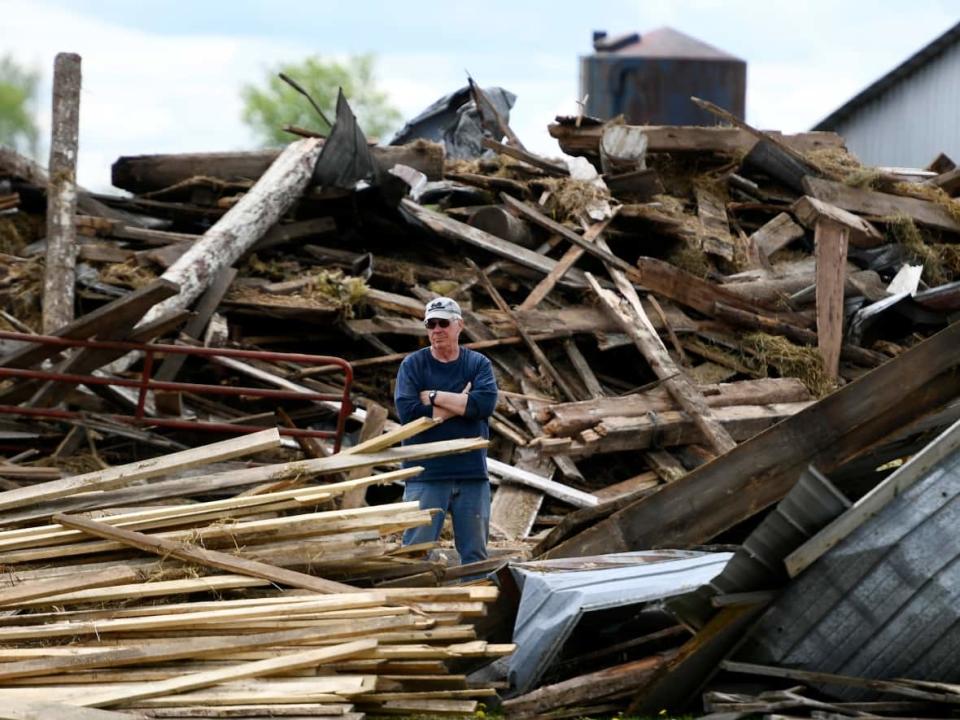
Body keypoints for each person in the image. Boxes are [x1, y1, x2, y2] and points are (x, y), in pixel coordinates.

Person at [394, 296, 498, 565]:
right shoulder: (413, 365)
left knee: (475, 556)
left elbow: (484, 404)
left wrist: (434, 395)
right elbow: (409, 413)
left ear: (459, 325)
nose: (437, 329)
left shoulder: (477, 364)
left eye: (443, 323)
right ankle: (415, 603)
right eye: (431, 324)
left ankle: (476, 603)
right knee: (416, 554)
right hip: (425, 474)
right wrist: (462, 403)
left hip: (471, 474)